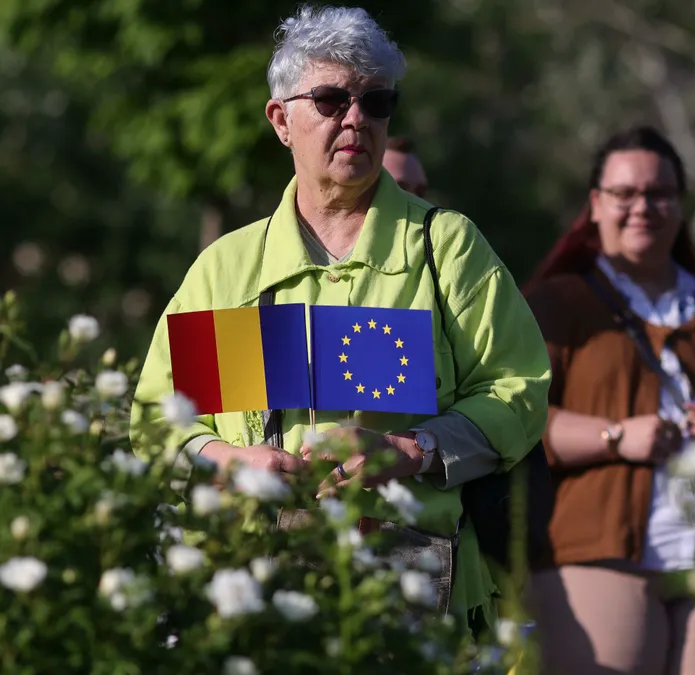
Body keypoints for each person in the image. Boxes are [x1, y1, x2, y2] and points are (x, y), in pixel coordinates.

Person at [129, 6, 550, 632]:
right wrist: (228, 459)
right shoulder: (227, 268)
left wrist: (412, 450)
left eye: (376, 102)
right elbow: (160, 421)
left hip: (412, 584)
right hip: (256, 580)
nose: (356, 119)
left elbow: (518, 391)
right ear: (281, 120)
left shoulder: (448, 247)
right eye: (330, 100)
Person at [521, 126, 695, 675]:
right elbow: (515, 417)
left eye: (659, 193)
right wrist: (615, 435)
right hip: (594, 549)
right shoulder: (555, 304)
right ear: (595, 205)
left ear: (680, 206)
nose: (643, 207)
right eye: (625, 194)